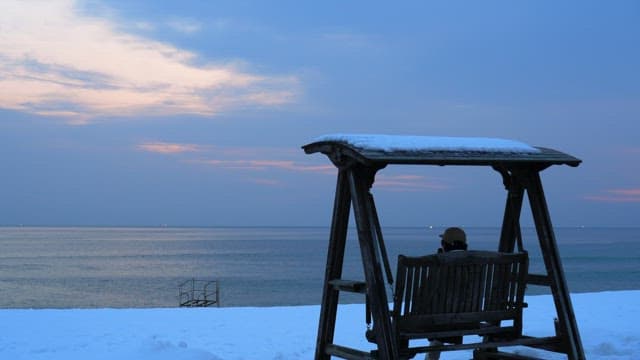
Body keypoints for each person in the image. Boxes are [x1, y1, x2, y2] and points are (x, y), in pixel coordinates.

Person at [427, 227, 468, 360]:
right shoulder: (473, 265)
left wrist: (439, 259)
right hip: (465, 319)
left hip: (440, 320)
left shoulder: (441, 265)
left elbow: (426, 293)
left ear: (446, 245)